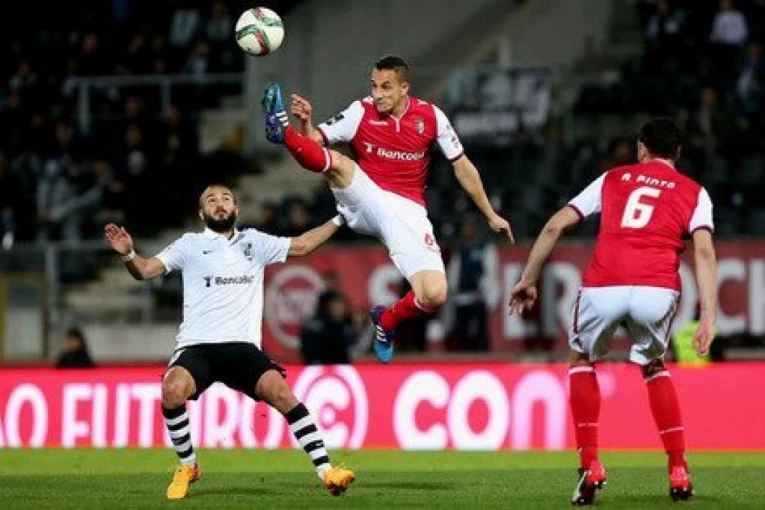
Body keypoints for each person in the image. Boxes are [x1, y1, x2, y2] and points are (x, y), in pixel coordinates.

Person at [509, 118, 717, 505]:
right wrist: (708, 316)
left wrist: (528, 278)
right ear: (677, 153)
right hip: (656, 287)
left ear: (641, 149)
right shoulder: (695, 192)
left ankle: (590, 464)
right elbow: (703, 251)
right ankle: (678, 469)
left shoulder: (613, 178)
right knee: (653, 365)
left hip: (604, 284)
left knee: (581, 358)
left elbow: (556, 226)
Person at [103, 184, 354, 500]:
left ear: (236, 209)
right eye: (211, 200)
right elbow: (145, 270)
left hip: (242, 347)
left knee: (282, 394)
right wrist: (128, 254)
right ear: (201, 213)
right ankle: (188, 466)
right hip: (198, 346)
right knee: (171, 390)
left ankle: (327, 471)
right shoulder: (189, 245)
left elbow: (303, 245)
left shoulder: (255, 242)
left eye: (225, 199)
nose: (219, 204)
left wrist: (339, 218)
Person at [261, 55, 513, 363]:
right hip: (365, 196)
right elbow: (314, 141)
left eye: (386, 87)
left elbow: (462, 166)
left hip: (407, 211)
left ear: (404, 88)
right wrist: (304, 124)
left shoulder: (431, 117)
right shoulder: (360, 111)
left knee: (435, 293)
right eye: (374, 86)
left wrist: (490, 214)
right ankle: (282, 131)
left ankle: (387, 319)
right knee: (340, 163)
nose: (377, 94)